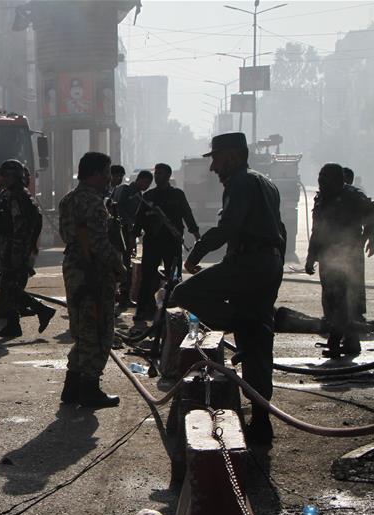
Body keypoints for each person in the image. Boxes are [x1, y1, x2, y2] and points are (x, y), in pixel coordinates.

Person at [169, 132, 285, 445]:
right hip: (267, 265)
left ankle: (238, 319)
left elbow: (229, 227)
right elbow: (281, 230)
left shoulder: (240, 183)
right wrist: (274, 275)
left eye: (216, 159)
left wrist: (195, 253)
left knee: (183, 294)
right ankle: (262, 423)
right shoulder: (267, 183)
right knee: (257, 347)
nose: (213, 168)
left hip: (247, 264)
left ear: (232, 157)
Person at [58, 152, 124, 407]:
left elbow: (67, 235)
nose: (109, 178)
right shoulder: (94, 203)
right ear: (96, 174)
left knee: (83, 330)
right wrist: (119, 268)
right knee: (99, 331)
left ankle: (72, 388)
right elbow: (98, 244)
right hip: (93, 273)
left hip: (74, 270)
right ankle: (89, 389)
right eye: (107, 172)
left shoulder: (68, 200)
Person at [304, 164, 374, 357]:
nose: (321, 181)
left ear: (338, 179)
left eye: (326, 177)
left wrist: (368, 236)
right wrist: (311, 257)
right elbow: (317, 230)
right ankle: (350, 342)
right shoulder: (321, 198)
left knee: (343, 301)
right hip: (327, 257)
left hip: (349, 257)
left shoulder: (352, 196)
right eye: (320, 176)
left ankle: (336, 341)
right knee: (331, 302)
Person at [0, 159, 56, 338]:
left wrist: (18, 252)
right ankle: (14, 325)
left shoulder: (18, 196)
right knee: (9, 288)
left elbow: (20, 227)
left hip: (16, 248)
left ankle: (41, 309)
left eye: (6, 175)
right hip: (13, 246)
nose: (3, 178)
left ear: (15, 177)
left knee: (12, 287)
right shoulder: (14, 194)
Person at [133, 163, 200, 322]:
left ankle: (176, 313)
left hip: (172, 241)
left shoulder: (177, 194)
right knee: (148, 277)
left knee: (174, 278)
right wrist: (133, 238)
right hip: (152, 242)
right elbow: (140, 219)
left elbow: (187, 214)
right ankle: (143, 311)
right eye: (156, 173)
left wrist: (196, 234)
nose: (157, 176)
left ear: (168, 176)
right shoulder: (148, 196)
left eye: (160, 173)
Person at [109, 170, 153, 305]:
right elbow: (118, 209)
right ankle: (118, 294)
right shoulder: (126, 190)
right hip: (118, 232)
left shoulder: (139, 195)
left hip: (128, 233)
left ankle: (124, 295)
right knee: (119, 262)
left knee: (127, 262)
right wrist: (129, 225)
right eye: (145, 182)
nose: (146, 186)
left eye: (149, 184)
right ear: (139, 180)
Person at [341, 166, 374, 323]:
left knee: (354, 280)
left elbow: (373, 214)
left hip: (352, 245)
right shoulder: (327, 196)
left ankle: (355, 314)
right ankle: (339, 315)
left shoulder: (354, 196)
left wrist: (368, 238)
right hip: (333, 248)